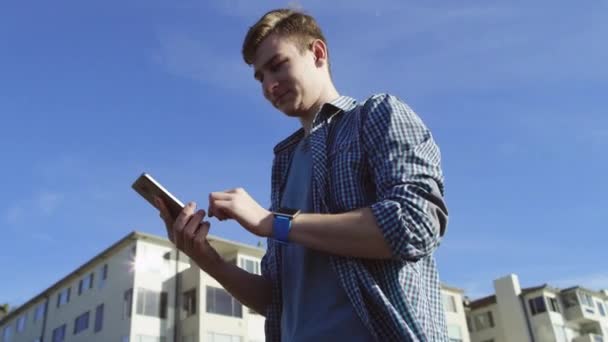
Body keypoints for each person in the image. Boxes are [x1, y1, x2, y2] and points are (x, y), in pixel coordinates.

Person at [155, 8, 449, 342]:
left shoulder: (377, 115)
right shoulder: (286, 164)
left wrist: (274, 222)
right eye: (260, 77)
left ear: (318, 53)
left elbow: (414, 224)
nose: (269, 86)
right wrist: (207, 259)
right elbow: (277, 300)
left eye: (277, 66)